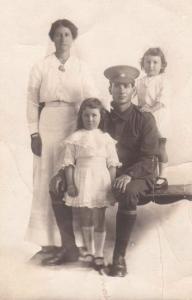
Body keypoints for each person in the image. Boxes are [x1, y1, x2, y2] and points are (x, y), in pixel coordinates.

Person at [26, 19, 98, 261]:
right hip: (48, 124)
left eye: (67, 34)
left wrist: (90, 130)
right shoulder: (41, 66)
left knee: (71, 178)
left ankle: (74, 242)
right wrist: (34, 133)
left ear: (73, 38)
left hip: (73, 123)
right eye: (58, 35)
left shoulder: (82, 67)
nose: (63, 39)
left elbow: (92, 98)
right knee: (46, 178)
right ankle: (48, 241)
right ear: (52, 38)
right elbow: (32, 101)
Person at [43, 98, 121, 269]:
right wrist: (70, 184)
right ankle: (90, 252)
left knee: (99, 217)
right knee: (85, 216)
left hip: (100, 181)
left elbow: (112, 164)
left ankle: (99, 254)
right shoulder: (75, 138)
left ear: (101, 117)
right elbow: (69, 164)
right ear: (81, 117)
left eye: (94, 115)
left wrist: (112, 185)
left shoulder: (106, 139)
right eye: (86, 116)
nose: (90, 119)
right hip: (82, 180)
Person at [103, 65, 159, 277]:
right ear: (110, 89)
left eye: (126, 86)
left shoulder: (144, 118)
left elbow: (149, 157)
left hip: (140, 172)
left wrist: (129, 175)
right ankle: (82, 250)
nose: (122, 90)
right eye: (117, 85)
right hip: (112, 171)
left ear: (133, 90)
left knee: (128, 192)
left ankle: (119, 257)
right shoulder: (102, 118)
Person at [136, 47, 169, 189]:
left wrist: (150, 109)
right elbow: (130, 94)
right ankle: (149, 176)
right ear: (143, 64)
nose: (151, 66)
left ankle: (163, 176)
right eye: (148, 62)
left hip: (158, 117)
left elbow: (162, 100)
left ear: (162, 65)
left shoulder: (163, 80)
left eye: (155, 62)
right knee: (147, 147)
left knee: (160, 146)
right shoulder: (140, 81)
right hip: (144, 119)